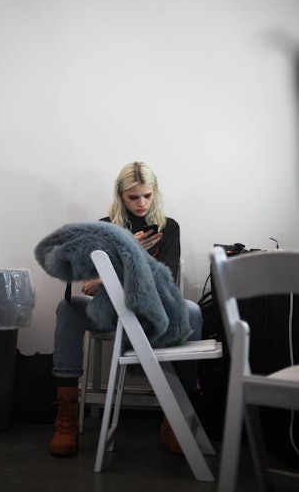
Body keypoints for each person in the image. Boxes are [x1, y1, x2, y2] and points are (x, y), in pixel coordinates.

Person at [50, 162, 203, 456]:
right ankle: (66, 416)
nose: (142, 203)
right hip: (109, 312)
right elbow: (88, 287)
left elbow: (164, 282)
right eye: (134, 197)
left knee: (192, 311)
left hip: (150, 315)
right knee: (67, 308)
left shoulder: (168, 228)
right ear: (121, 196)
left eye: (147, 196)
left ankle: (177, 421)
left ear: (154, 193)